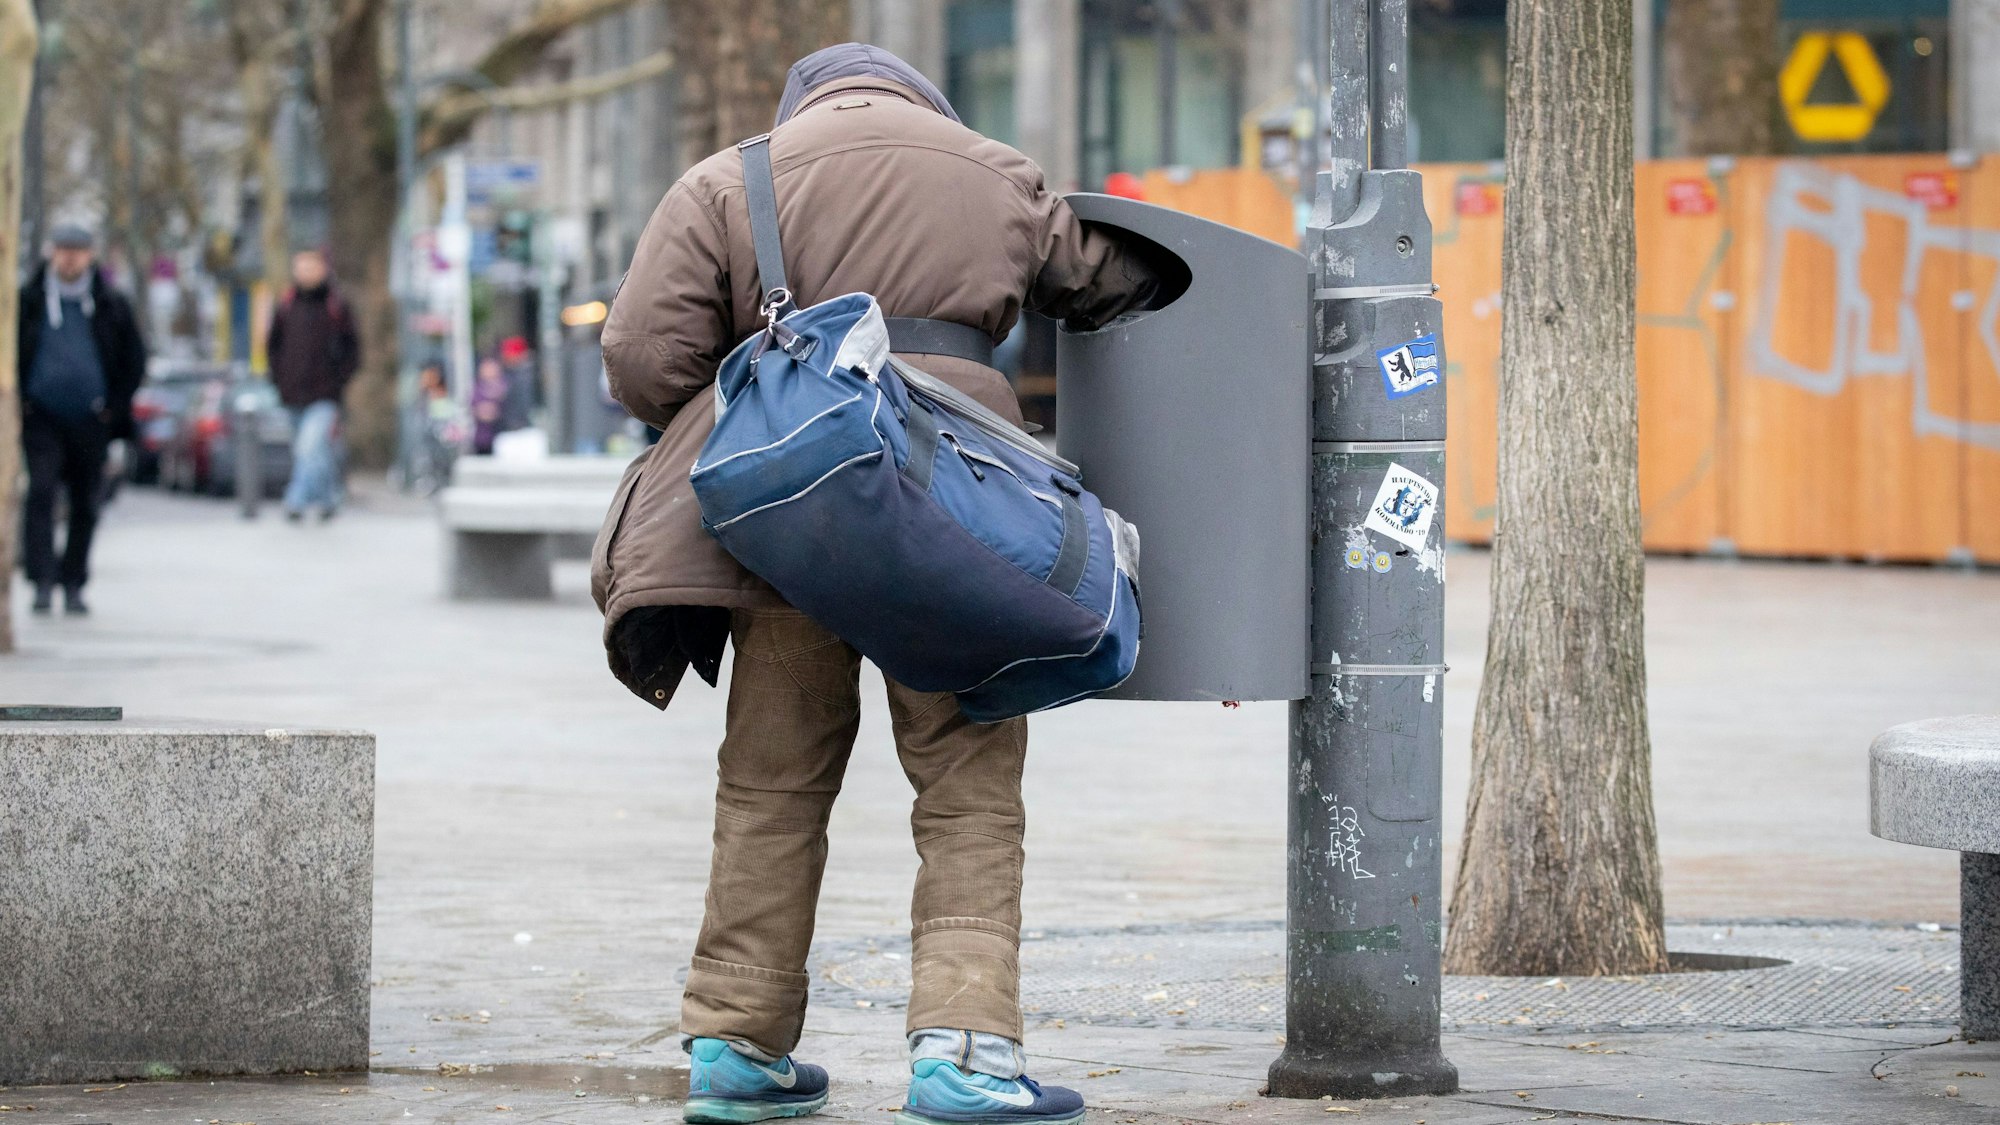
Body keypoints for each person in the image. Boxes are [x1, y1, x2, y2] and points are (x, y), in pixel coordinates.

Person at [591, 44, 1164, 1125]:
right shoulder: (994, 171)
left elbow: (640, 359)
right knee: (966, 788)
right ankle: (962, 1053)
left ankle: (736, 1044)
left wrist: (763, 377)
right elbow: (1106, 283)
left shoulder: (730, 180)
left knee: (770, 786)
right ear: (922, 103)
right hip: (959, 512)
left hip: (792, 521)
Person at [15, 223, 145, 616]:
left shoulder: (111, 304)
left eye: (77, 250)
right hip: (41, 417)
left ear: (90, 255)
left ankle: (73, 582)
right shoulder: (30, 300)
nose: (69, 258)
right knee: (40, 492)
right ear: (51, 253)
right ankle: (41, 579)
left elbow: (133, 360)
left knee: (85, 502)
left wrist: (114, 408)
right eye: (62, 250)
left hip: (92, 419)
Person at [266, 248, 359, 521]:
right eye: (300, 265)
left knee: (309, 446)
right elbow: (273, 347)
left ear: (322, 269)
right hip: (292, 393)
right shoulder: (286, 305)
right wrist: (278, 379)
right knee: (313, 452)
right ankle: (329, 498)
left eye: (311, 265)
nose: (305, 271)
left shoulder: (336, 305)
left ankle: (295, 500)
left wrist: (337, 381)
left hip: (324, 394)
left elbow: (353, 350)